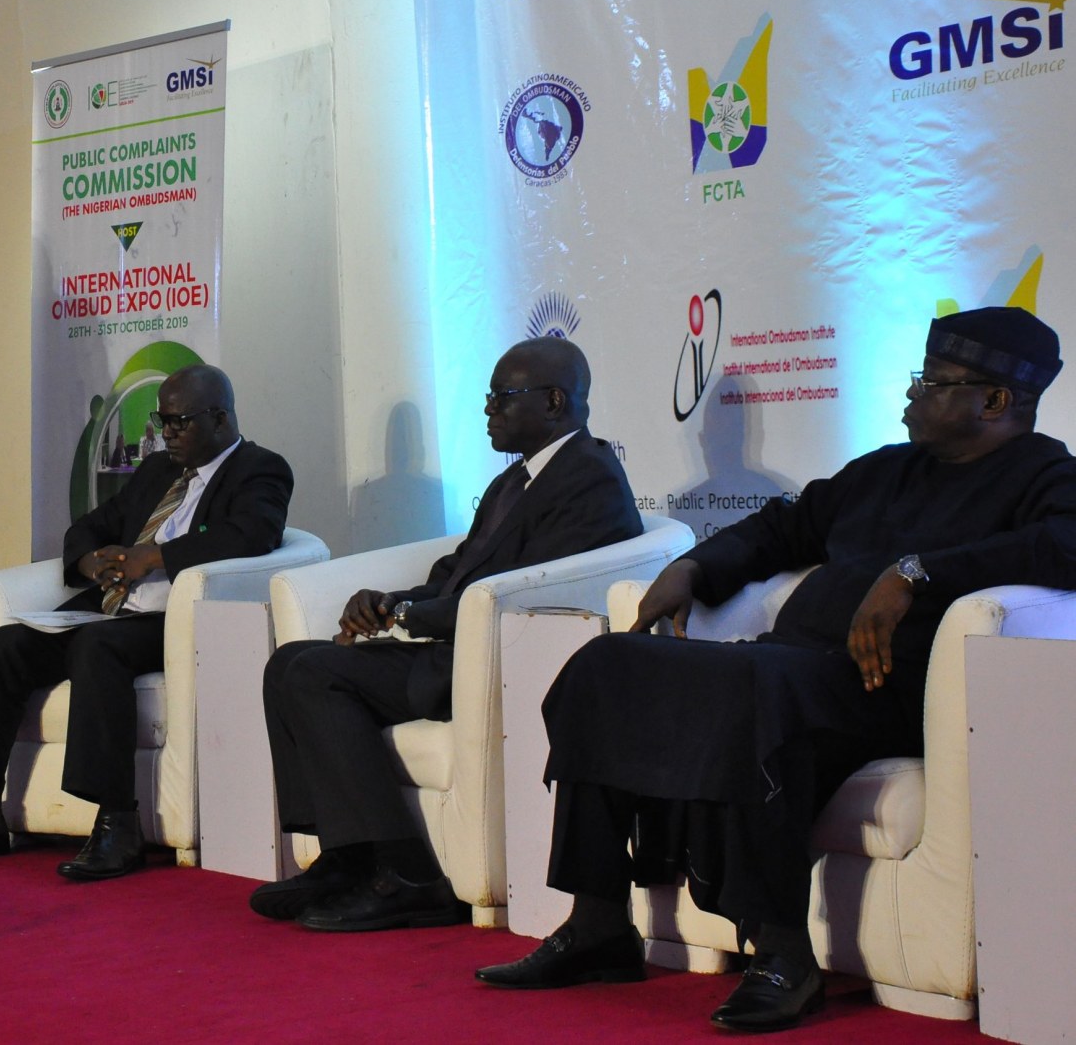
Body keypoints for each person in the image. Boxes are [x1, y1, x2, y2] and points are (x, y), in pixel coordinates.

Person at [477, 307, 1076, 1033]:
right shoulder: (886, 469)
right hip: (792, 668)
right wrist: (694, 567)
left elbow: (1062, 547)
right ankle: (597, 922)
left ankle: (785, 957)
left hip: (888, 686)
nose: (911, 394)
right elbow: (780, 529)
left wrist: (915, 571)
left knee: (758, 689)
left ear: (996, 400)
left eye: (933, 382)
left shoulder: (1048, 477)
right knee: (607, 666)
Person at [254, 336, 641, 931]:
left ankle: (409, 876)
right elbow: (460, 571)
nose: (488, 408)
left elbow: (526, 589)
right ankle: (345, 859)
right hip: (453, 644)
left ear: (554, 401)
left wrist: (409, 619)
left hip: (488, 661)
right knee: (287, 662)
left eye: (502, 396)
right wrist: (392, 601)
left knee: (314, 674)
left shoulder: (589, 478)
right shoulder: (517, 480)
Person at [0, 364, 293, 880]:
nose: (167, 433)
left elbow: (252, 534)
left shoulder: (260, 469)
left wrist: (153, 556)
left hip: (174, 622)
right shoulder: (158, 471)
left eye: (179, 422)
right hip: (111, 611)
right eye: (162, 420)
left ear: (220, 418)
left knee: (96, 646)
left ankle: (118, 824)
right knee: (3, 644)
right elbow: (91, 525)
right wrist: (91, 563)